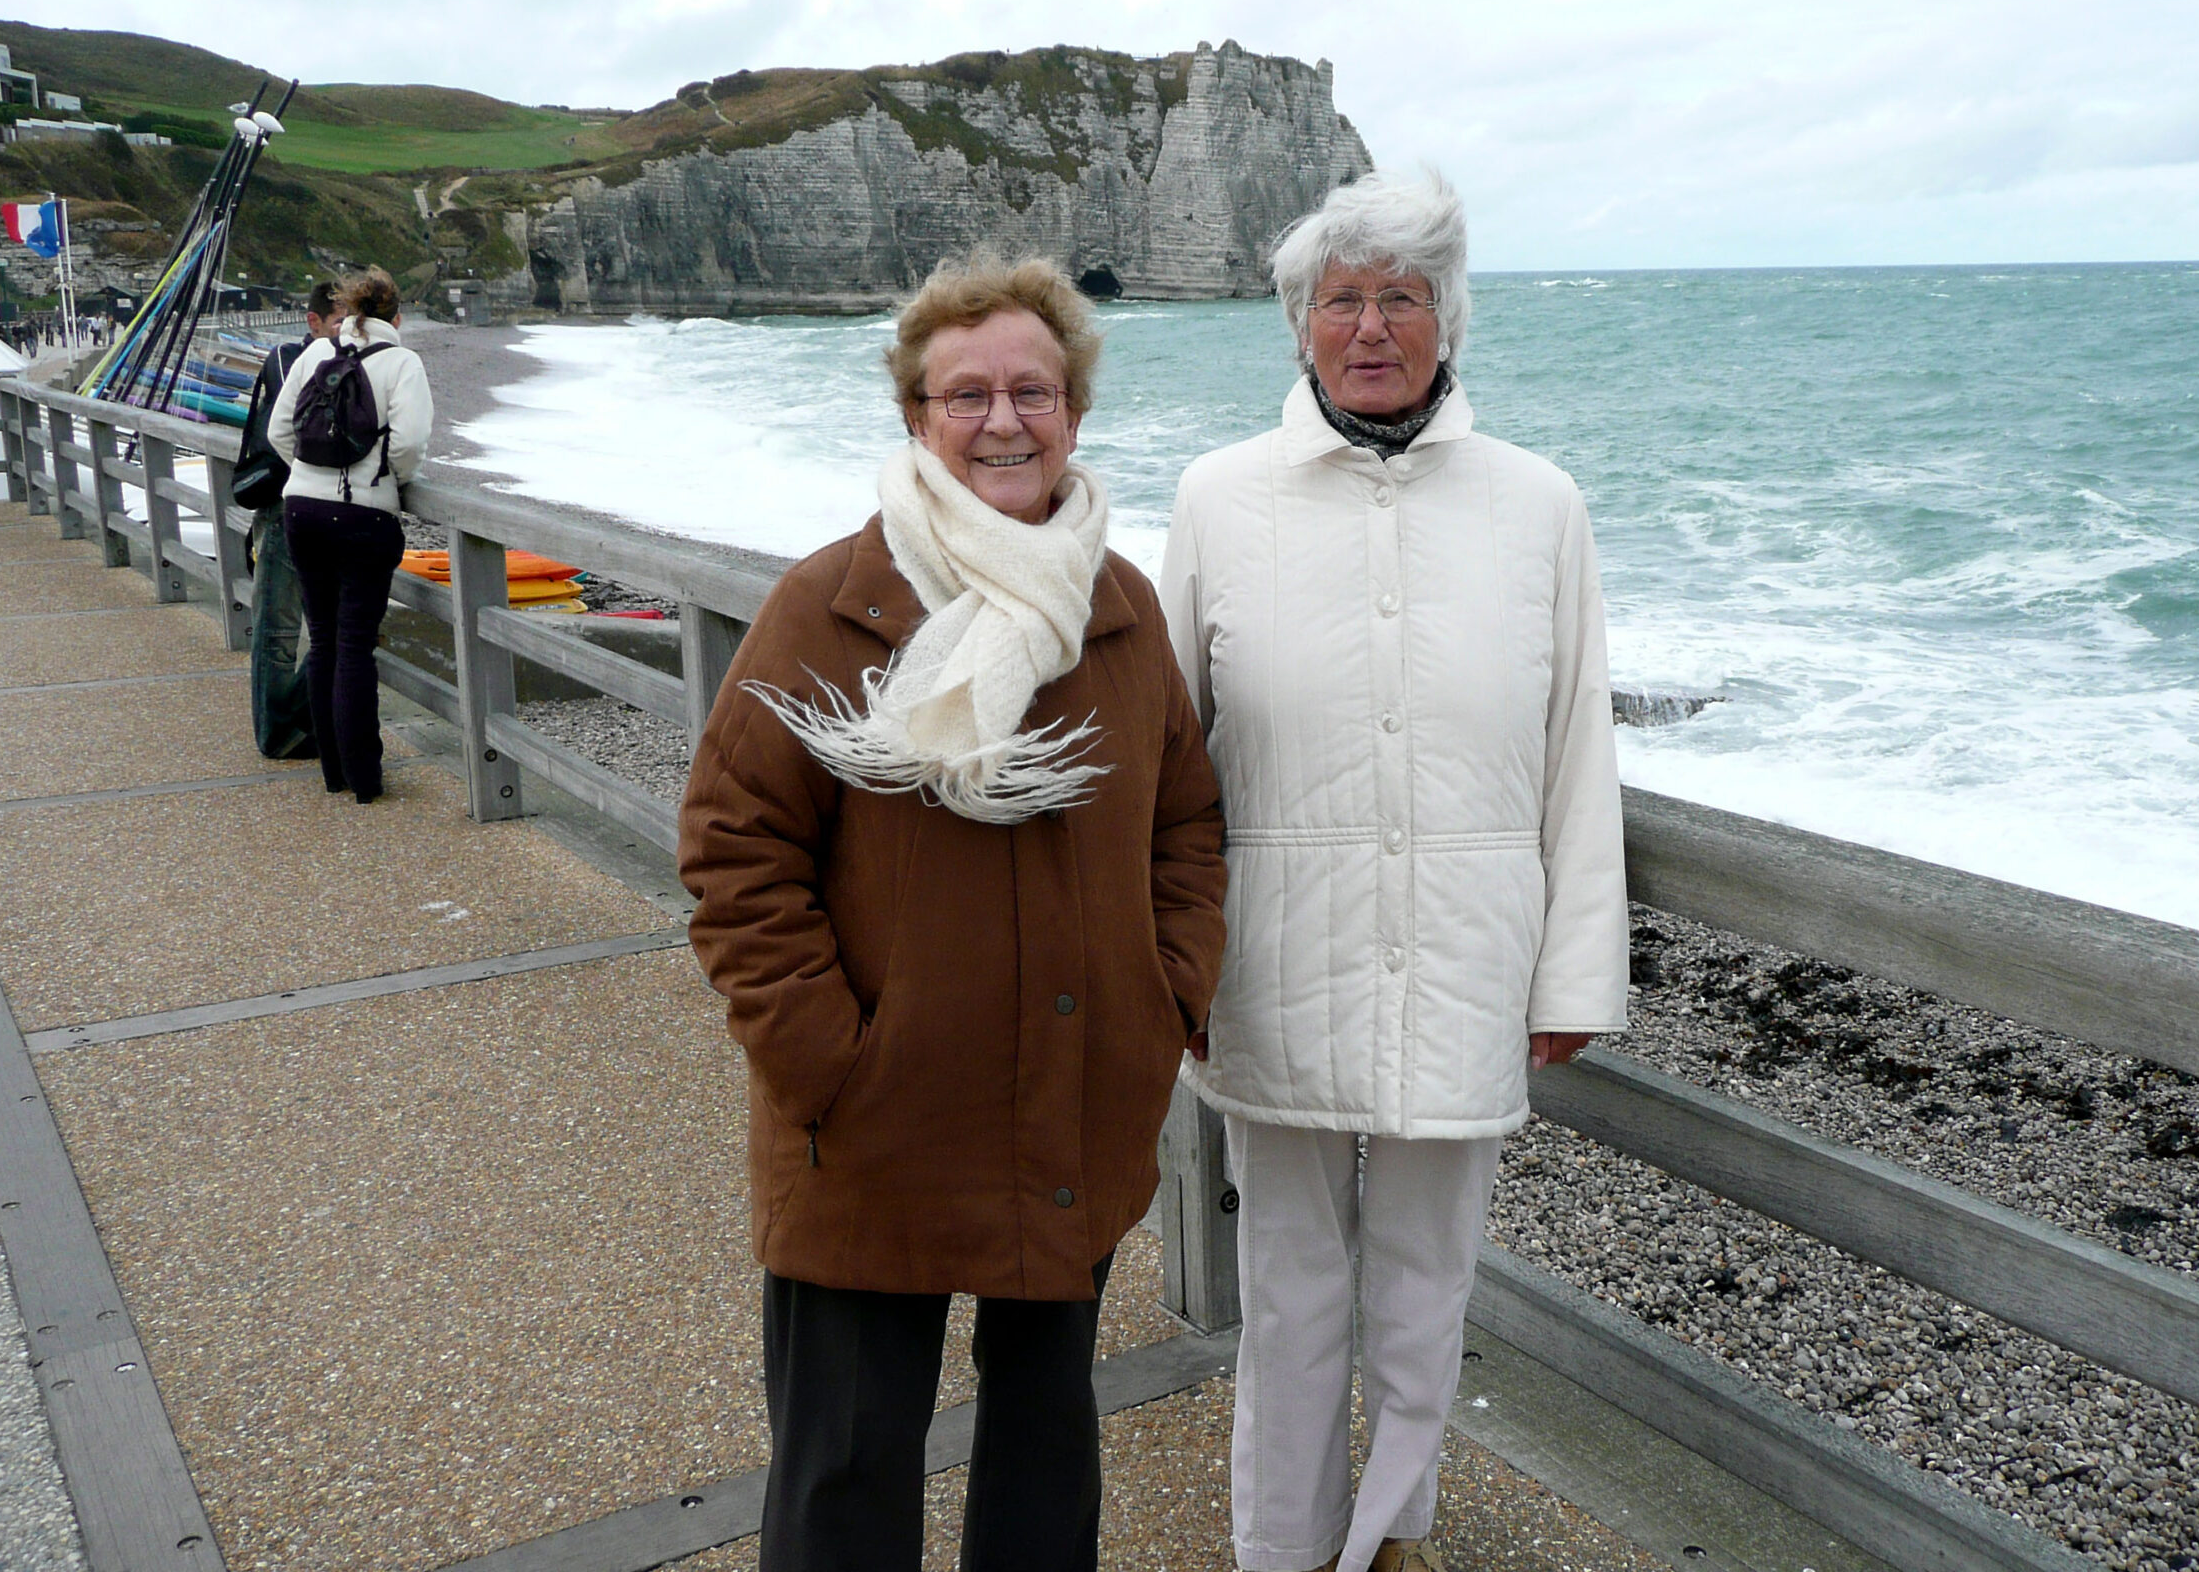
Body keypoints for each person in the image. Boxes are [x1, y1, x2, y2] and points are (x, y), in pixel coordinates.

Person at [679, 254, 1229, 1572]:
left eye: (1032, 390)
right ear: (916, 417)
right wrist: (829, 1061)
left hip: (1071, 1099)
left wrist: (1165, 998)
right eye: (965, 394)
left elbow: (1186, 824)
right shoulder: (829, 606)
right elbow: (735, 850)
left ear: (1074, 410)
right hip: (874, 1120)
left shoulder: (1118, 607)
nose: (1002, 421)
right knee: (845, 1469)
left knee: (1044, 1453)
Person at [1160, 168, 1630, 1572]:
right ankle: (1282, 1550)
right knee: (1290, 1291)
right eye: (1342, 300)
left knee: (1428, 1294)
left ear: (1449, 320)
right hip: (1272, 955)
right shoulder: (1219, 497)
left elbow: (1576, 750)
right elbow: (1170, 756)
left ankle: (1390, 1538)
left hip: (1471, 949)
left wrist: (1576, 973)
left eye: (1403, 298)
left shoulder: (1538, 504)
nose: (1371, 327)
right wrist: (1173, 959)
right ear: (1299, 325)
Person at [267, 266, 433, 802]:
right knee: (355, 644)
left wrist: (309, 474)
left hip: (302, 510)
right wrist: (383, 481)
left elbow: (279, 430)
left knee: (322, 641)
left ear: (350, 312)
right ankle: (365, 778)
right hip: (364, 516)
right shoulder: (402, 362)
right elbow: (408, 444)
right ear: (396, 319)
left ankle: (334, 772)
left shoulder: (317, 352)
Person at [234, 283, 337, 758]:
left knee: (335, 631)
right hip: (281, 508)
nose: (347, 332)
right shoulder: (290, 359)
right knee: (278, 630)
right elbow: (287, 427)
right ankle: (278, 734)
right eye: (338, 322)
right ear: (313, 322)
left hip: (317, 509)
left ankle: (297, 720)